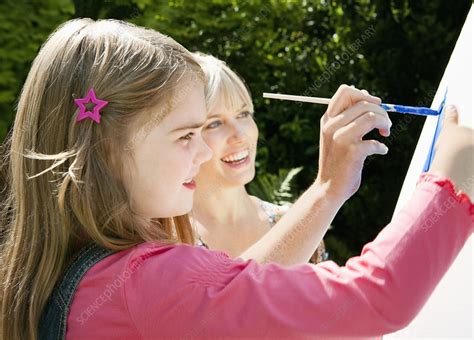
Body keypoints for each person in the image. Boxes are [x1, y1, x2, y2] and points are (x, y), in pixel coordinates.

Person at [0, 18, 472, 340]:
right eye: (187, 134)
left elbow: (232, 295)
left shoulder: (75, 276)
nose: (206, 150)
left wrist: (330, 189)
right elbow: (379, 297)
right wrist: (449, 183)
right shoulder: (146, 284)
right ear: (107, 150)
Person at [190, 52, 326, 263]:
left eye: (243, 114)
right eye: (215, 123)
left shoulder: (291, 222)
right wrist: (329, 187)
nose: (240, 135)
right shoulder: (166, 242)